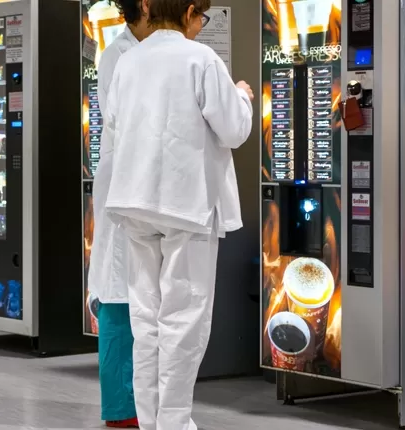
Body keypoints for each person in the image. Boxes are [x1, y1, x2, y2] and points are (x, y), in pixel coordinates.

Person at [102, 0, 254, 428]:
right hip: (186, 204)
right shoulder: (201, 59)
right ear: (189, 12)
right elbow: (236, 129)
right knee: (183, 320)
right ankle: (175, 422)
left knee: (146, 319)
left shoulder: (129, 62)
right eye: (201, 17)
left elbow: (112, 122)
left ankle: (151, 421)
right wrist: (242, 95)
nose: (201, 26)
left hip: (134, 201)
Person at [89, 0, 152, 428]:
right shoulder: (119, 55)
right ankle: (120, 412)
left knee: (141, 305)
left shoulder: (151, 52)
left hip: (144, 191)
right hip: (124, 189)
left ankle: (141, 406)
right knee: (117, 300)